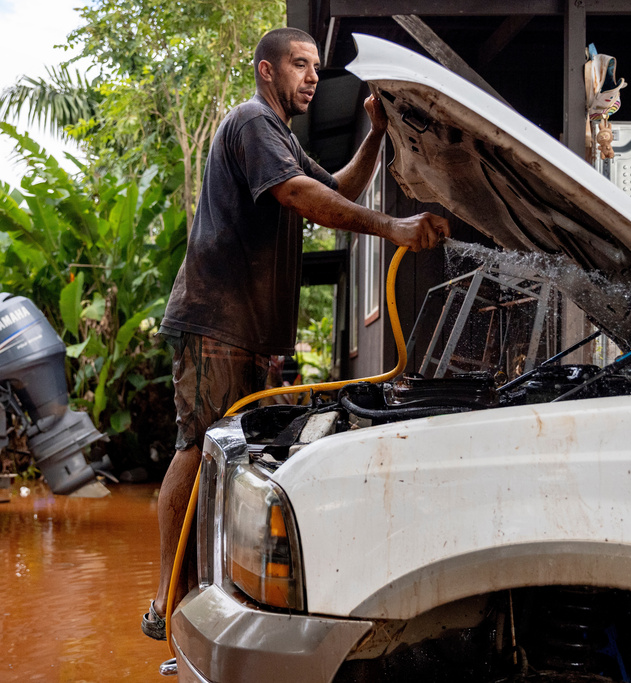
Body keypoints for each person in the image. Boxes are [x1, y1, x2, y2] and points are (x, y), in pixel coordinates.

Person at [141, 27, 450, 640]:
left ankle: (206, 584)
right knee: (196, 445)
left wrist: (380, 134)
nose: (313, 76)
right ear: (266, 71)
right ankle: (166, 599)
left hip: (247, 329)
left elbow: (339, 188)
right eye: (300, 65)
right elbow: (299, 194)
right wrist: (393, 228)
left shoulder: (278, 134)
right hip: (216, 321)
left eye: (315, 65)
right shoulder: (254, 122)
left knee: (225, 454)